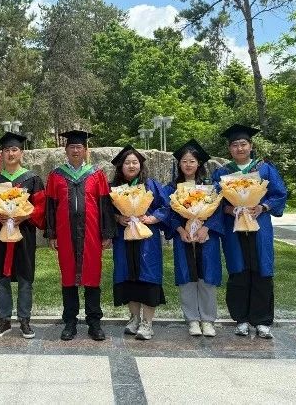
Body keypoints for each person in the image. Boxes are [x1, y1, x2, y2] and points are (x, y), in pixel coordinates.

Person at [212, 124, 287, 339]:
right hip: (233, 227)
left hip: (259, 225)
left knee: (262, 269)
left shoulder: (264, 168)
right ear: (230, 149)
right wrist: (228, 209)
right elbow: (213, 200)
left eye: (243, 144)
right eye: (235, 145)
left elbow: (279, 194)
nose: (239, 148)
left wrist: (262, 207)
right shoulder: (223, 172)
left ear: (251, 146)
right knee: (238, 270)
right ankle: (241, 319)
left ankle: (262, 321)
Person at [45, 130, 116, 341]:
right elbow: (51, 206)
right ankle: (70, 322)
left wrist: (106, 233)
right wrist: (52, 233)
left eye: (79, 147)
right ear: (66, 150)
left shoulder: (96, 174)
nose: (75, 150)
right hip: (65, 233)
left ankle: (94, 322)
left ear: (85, 150)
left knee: (92, 275)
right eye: (72, 147)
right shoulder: (56, 175)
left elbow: (104, 204)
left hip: (91, 234)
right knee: (68, 276)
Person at [0, 132, 46, 339]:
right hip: (0, 233)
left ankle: (25, 319)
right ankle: (4, 320)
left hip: (24, 233)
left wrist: (25, 216)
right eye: (7, 150)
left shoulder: (32, 179)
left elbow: (41, 207)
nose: (10, 153)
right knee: (2, 277)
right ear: (1, 154)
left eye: (14, 149)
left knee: (25, 276)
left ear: (21, 153)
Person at [110, 145, 171, 340]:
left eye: (134, 162)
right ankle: (134, 318)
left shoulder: (151, 185)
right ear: (120, 166)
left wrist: (153, 218)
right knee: (128, 276)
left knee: (148, 276)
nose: (131, 166)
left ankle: (147, 323)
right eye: (127, 162)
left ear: (140, 165)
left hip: (147, 240)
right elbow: (106, 211)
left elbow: (166, 206)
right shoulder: (114, 188)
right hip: (124, 238)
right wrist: (118, 218)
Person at [165, 139, 224, 337]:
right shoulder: (172, 188)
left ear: (199, 164)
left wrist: (206, 228)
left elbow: (217, 211)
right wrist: (180, 231)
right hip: (183, 238)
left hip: (206, 238)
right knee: (186, 277)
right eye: (184, 161)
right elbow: (170, 213)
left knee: (207, 276)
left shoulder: (210, 187)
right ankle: (192, 319)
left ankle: (207, 320)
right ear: (179, 164)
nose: (188, 165)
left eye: (192, 161)